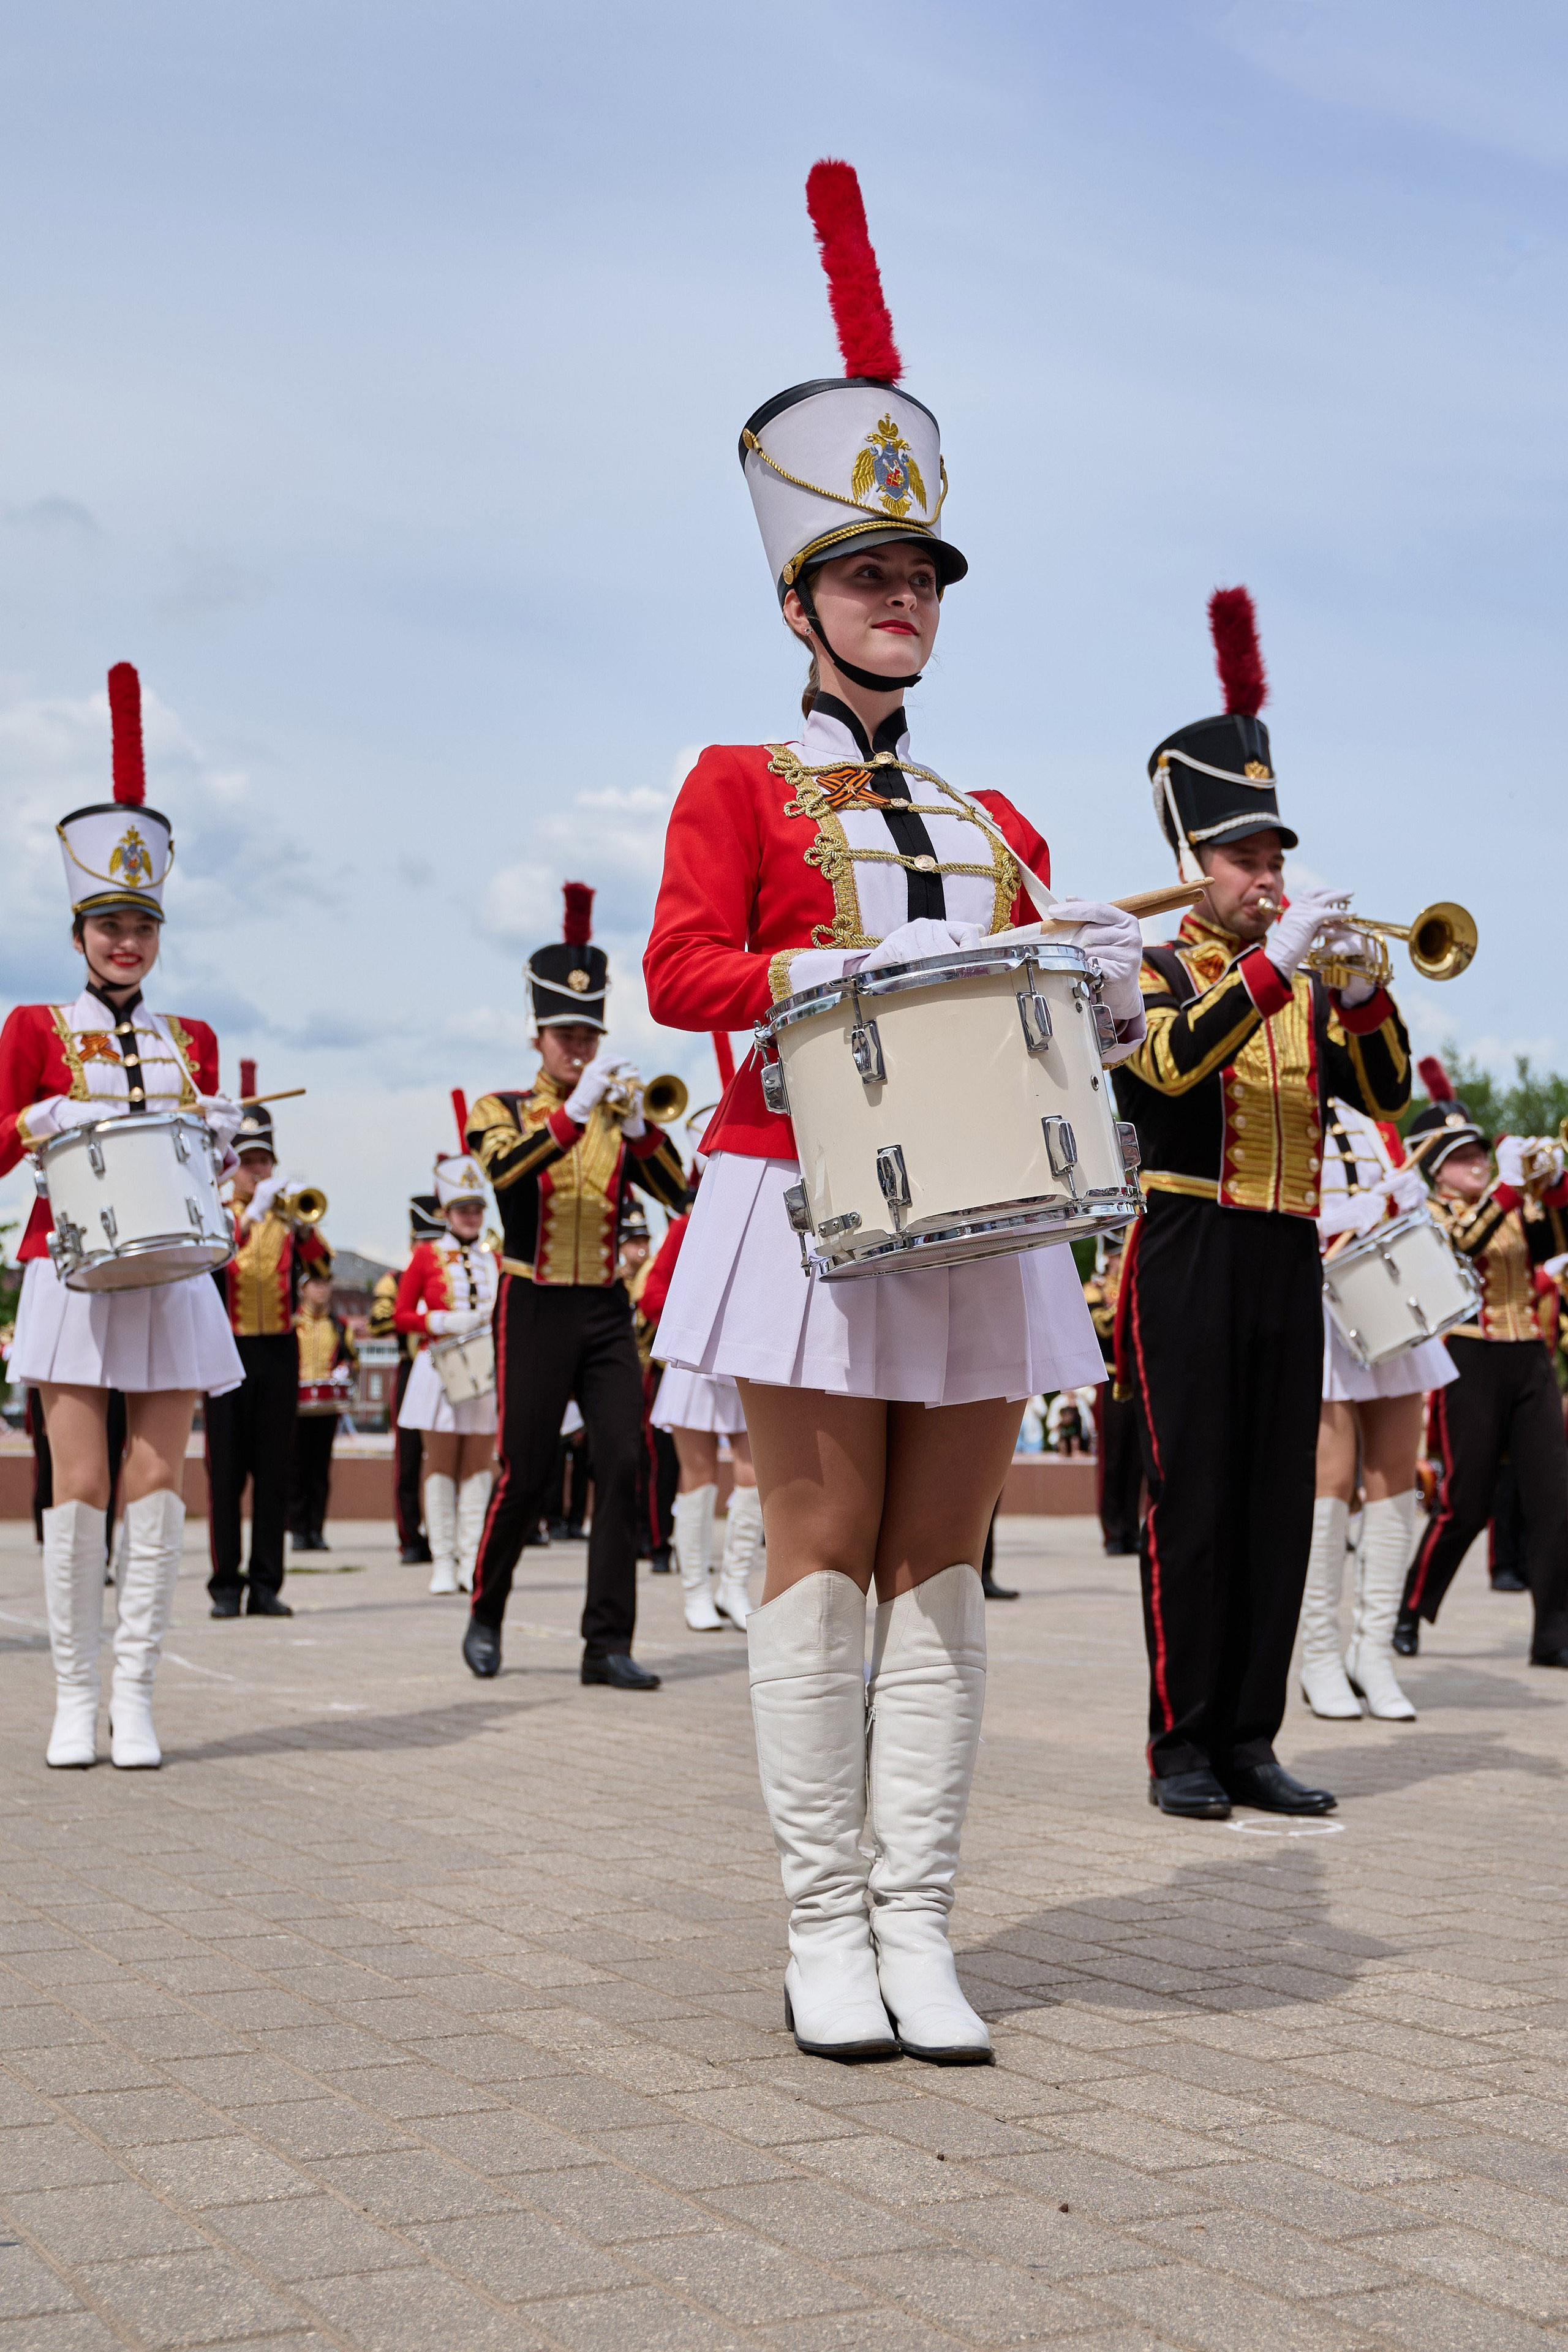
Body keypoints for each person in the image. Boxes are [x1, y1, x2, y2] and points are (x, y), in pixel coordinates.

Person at [643, 162, 1144, 2062]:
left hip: (984, 1213)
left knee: (945, 1557)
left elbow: (1039, 1026)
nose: (903, 599)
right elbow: (684, 973)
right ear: (801, 594)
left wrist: (1094, 968)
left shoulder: (998, 818)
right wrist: (802, 977)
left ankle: (921, 1922)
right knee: (821, 1537)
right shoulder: (737, 782)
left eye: (922, 576)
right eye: (871, 572)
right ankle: (820, 1925)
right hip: (798, 1200)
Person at [1113, 589, 1412, 1821]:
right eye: (1245, 857)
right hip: (1184, 1237)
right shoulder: (1140, 963)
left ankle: (1248, 1736)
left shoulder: (1297, 980)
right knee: (1192, 1497)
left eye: (1276, 856)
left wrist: (1355, 996)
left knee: (1273, 1501)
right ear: (1194, 862)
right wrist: (1273, 965)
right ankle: (1178, 1745)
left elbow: (1384, 1091)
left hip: (1285, 1249)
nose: (1268, 876)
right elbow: (1167, 1064)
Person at [0, 661, 244, 1767]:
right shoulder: (32, 1025)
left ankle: (135, 1696)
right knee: (81, 1481)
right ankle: (71, 1697)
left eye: (141, 923)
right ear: (80, 927)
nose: (126, 943)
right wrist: (33, 1121)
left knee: (158, 1480)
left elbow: (205, 1168)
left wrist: (227, 1133)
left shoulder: (190, 1039)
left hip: (176, 1271)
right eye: (107, 923)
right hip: (69, 1265)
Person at [464, 884, 688, 1686]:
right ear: (539, 1036)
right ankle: (486, 1611)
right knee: (525, 1472)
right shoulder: (504, 1107)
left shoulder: (614, 1109)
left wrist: (640, 1130)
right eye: (565, 1035)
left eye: (589, 1035)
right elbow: (502, 1174)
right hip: (532, 1303)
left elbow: (680, 1196)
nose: (578, 1050)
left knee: (624, 1462)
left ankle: (606, 1643)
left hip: (602, 1307)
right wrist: (570, 1116)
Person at [1396, 1065, 1568, 1667]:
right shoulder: (1431, 1214)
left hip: (1528, 1359)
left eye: (1479, 1152)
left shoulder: (1507, 1203)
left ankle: (1553, 1635)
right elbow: (1463, 1245)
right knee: (1465, 1504)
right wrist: (1506, 1191)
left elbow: (1550, 1243)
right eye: (1462, 1155)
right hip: (1469, 1357)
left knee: (1554, 1501)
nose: (1476, 1161)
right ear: (1436, 1167)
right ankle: (1410, 1607)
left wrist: (1552, 1186)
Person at [1298, 1099, 1455, 1724]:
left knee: (1394, 1478)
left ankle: (1372, 1651)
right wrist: (1339, 1215)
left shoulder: (1376, 1124)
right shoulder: (1289, 1101)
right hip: (1322, 1303)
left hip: (1387, 1301)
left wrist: (1406, 1199)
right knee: (1330, 1483)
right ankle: (1317, 1655)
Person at [204, 1068, 333, 1620]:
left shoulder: (287, 1217)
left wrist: (303, 1233)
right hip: (227, 1352)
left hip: (279, 1352)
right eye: (250, 1163)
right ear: (233, 1166)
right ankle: (225, 1586)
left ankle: (266, 1584)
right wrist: (248, 1221)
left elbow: (323, 1270)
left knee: (273, 1472)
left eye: (265, 1163)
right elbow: (209, 1263)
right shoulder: (216, 1212)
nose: (259, 1173)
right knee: (226, 1472)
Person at [642, 1188, 761, 1629]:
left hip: (742, 1359)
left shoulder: (759, 1224)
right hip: (696, 1363)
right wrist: (694, 1318)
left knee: (753, 1476)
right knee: (700, 1476)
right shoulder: (684, 1227)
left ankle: (735, 1586)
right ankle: (695, 1591)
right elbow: (652, 1293)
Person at [394, 1101, 499, 1596]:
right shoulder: (424, 1254)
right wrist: (442, 1320)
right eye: (463, 1209)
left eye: (477, 1208)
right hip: (438, 1366)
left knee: (478, 1466)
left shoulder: (495, 1256)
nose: (471, 1216)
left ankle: (469, 1560)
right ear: (446, 1212)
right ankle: (441, 1559)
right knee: (440, 1465)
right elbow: (400, 1314)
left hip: (484, 1368)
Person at [375, 1193, 444, 1563]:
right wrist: (415, 1311)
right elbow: (378, 1319)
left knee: (449, 1454)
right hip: (409, 1365)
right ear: (412, 1241)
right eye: (425, 1240)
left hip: (448, 1366)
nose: (431, 1248)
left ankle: (444, 1534)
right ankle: (410, 1537)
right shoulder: (396, 1279)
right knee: (410, 1457)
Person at [289, 1271, 356, 1551]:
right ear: (303, 1290)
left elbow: (352, 1360)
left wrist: (346, 1369)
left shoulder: (339, 1326)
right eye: (315, 1285)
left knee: (320, 1470)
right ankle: (297, 1530)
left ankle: (316, 1530)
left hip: (327, 1407)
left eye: (325, 1285)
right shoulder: (292, 1324)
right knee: (295, 1469)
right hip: (296, 1405)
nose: (321, 1291)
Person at [1085, 1236, 1141, 1555]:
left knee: (1137, 1460)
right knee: (1113, 1458)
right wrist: (1123, 1298)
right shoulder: (1094, 1290)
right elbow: (1102, 1328)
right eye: (1118, 1255)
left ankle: (1133, 1529)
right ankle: (1113, 1532)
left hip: (1135, 1377)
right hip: (1108, 1378)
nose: (1122, 1261)